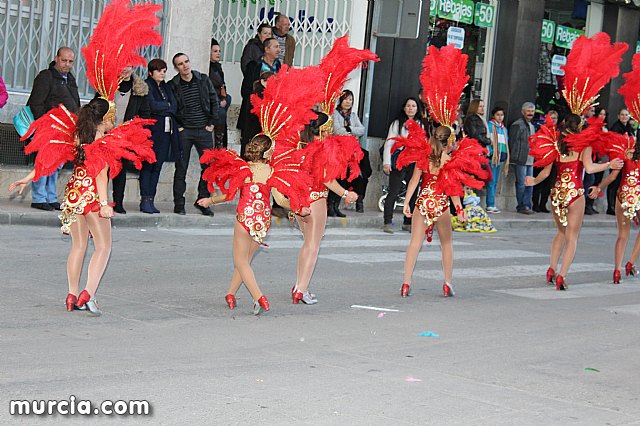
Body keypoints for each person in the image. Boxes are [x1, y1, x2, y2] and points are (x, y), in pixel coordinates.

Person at [197, 136, 312, 314]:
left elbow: (229, 196)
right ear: (268, 152)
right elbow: (281, 200)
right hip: (262, 221)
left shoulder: (243, 169)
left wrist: (209, 201)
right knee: (245, 261)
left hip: (244, 218)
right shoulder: (272, 171)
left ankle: (259, 297)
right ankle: (230, 294)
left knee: (240, 261)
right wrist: (299, 208)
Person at [526, 114, 623, 290]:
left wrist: (533, 181)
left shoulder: (556, 145)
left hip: (557, 194)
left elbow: (546, 173)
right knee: (572, 237)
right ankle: (561, 276)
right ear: (579, 126)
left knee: (560, 233)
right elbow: (590, 168)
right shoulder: (583, 146)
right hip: (574, 194)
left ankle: (551, 269)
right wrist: (609, 165)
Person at [397, 124, 488, 298]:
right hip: (440, 204)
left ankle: (406, 284)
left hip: (423, 202)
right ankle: (447, 283)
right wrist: (460, 209)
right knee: (447, 244)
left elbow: (414, 181)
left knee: (414, 243)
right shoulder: (449, 161)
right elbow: (453, 189)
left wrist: (407, 202)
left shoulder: (424, 158)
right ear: (448, 143)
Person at [292, 118, 359, 304]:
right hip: (316, 200)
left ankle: (299, 285)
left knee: (307, 244)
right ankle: (301, 290)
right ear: (322, 130)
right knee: (313, 247)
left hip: (300, 201)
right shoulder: (322, 149)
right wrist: (346, 193)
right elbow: (326, 179)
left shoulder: (299, 146)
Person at [26, 47, 81, 211]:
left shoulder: (70, 79)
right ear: (56, 58)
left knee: (56, 165)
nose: (67, 64)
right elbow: (36, 103)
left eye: (71, 61)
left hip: (65, 129)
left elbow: (75, 103)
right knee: (44, 162)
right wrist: (45, 124)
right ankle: (38, 198)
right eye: (64, 60)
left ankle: (50, 197)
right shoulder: (46, 76)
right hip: (49, 127)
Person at [170, 52, 219, 216]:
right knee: (181, 167)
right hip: (185, 131)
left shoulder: (203, 79)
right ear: (176, 68)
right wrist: (178, 126)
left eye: (186, 61)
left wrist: (212, 122)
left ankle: (203, 202)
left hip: (203, 130)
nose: (185, 65)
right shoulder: (173, 85)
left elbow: (214, 101)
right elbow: (171, 108)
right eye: (180, 64)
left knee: (208, 167)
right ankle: (179, 203)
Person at [142, 58, 182, 214]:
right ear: (151, 72)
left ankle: (151, 198)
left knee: (157, 166)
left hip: (166, 131)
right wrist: (167, 107)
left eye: (164, 71)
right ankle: (145, 198)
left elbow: (175, 106)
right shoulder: (147, 85)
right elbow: (152, 105)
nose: (162, 74)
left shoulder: (166, 87)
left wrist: (165, 107)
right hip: (152, 131)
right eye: (159, 71)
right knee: (148, 165)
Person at [110, 66, 151, 214]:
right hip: (107, 133)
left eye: (129, 65)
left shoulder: (140, 89)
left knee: (120, 170)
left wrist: (134, 129)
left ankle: (118, 203)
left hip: (126, 136)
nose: (125, 69)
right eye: (123, 64)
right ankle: (98, 201)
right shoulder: (108, 85)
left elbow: (145, 114)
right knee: (102, 169)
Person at [382, 97, 423, 233]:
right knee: (394, 190)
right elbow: (389, 143)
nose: (411, 108)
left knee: (413, 191)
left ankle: (408, 222)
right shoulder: (397, 123)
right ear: (404, 108)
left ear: (417, 109)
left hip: (415, 160)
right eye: (408, 106)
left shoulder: (421, 124)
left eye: (413, 106)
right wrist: (387, 162)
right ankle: (387, 221)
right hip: (400, 158)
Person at [238, 38, 282, 154]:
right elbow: (246, 89)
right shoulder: (255, 65)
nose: (279, 50)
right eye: (275, 47)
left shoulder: (279, 67)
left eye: (279, 47)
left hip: (272, 114)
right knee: (251, 143)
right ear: (266, 49)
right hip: (255, 113)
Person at [330, 89, 368, 215]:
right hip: (337, 150)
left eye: (350, 99)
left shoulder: (353, 115)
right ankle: (330, 205)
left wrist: (348, 129)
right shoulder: (335, 114)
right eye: (346, 99)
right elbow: (337, 130)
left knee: (345, 177)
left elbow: (361, 129)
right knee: (336, 176)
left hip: (350, 152)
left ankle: (336, 206)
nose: (348, 102)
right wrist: (351, 134)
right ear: (341, 100)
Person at [607, 108, 636, 215]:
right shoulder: (616, 128)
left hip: (627, 159)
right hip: (617, 158)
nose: (624, 117)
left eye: (626, 115)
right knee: (614, 181)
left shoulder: (629, 128)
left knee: (620, 182)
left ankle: (618, 204)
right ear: (618, 116)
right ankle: (611, 207)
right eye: (622, 115)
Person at [509, 102, 536, 214]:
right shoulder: (517, 124)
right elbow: (512, 142)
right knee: (521, 183)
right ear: (523, 112)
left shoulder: (532, 126)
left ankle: (527, 205)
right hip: (520, 159)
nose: (530, 113)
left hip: (530, 159)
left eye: (532, 111)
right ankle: (521, 206)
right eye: (528, 111)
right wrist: (514, 158)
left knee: (529, 183)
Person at [532, 109, 559, 213]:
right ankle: (535, 204)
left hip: (554, 161)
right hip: (541, 160)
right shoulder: (542, 130)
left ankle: (543, 204)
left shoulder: (558, 131)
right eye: (551, 118)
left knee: (549, 184)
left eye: (555, 118)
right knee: (538, 183)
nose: (553, 120)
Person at [485, 106, 509, 213]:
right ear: (493, 115)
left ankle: (492, 203)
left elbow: (505, 144)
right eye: (498, 115)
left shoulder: (504, 129)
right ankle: (490, 204)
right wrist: (490, 152)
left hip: (500, 157)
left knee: (495, 182)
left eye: (502, 115)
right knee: (491, 180)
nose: (500, 117)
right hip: (492, 157)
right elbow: (489, 142)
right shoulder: (489, 126)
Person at [209, 38, 231, 149]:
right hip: (211, 100)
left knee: (228, 99)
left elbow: (223, 84)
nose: (218, 54)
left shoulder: (218, 66)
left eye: (219, 51)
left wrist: (223, 97)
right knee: (221, 113)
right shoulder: (207, 68)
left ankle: (222, 143)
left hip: (220, 97)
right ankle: (219, 143)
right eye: (215, 51)